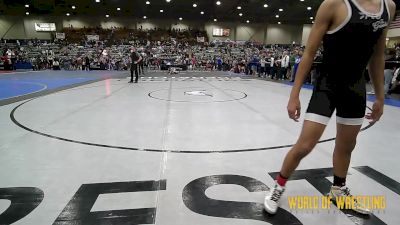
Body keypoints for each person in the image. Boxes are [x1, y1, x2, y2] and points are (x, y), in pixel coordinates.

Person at [264, 0, 395, 215]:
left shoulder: (387, 7)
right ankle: (278, 186)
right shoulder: (333, 4)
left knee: (347, 145)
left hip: (355, 89)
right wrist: (294, 94)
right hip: (327, 86)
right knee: (305, 145)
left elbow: (377, 56)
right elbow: (309, 53)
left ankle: (338, 190)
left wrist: (380, 97)